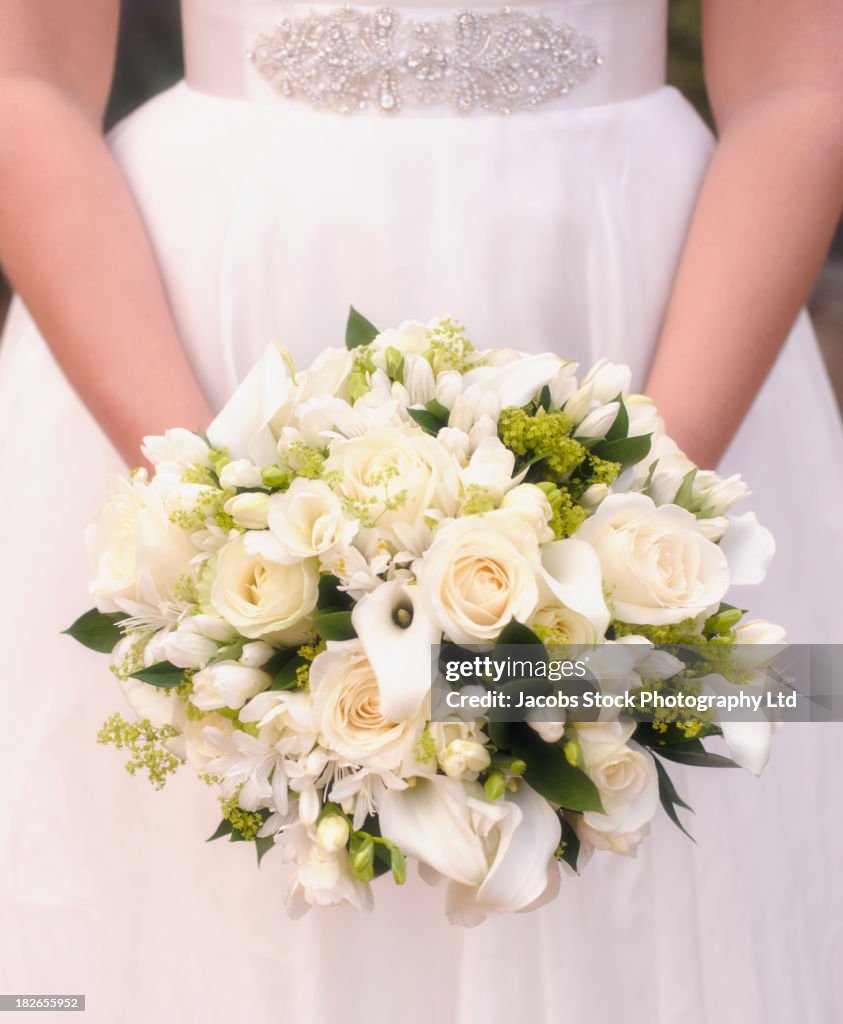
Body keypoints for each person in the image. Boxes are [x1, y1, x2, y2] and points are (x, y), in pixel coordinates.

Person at [0, 1, 841, 1021]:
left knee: (665, 837)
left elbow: (803, 77)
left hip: (657, 318)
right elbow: (24, 72)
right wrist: (213, 508)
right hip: (187, 327)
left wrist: (643, 512)